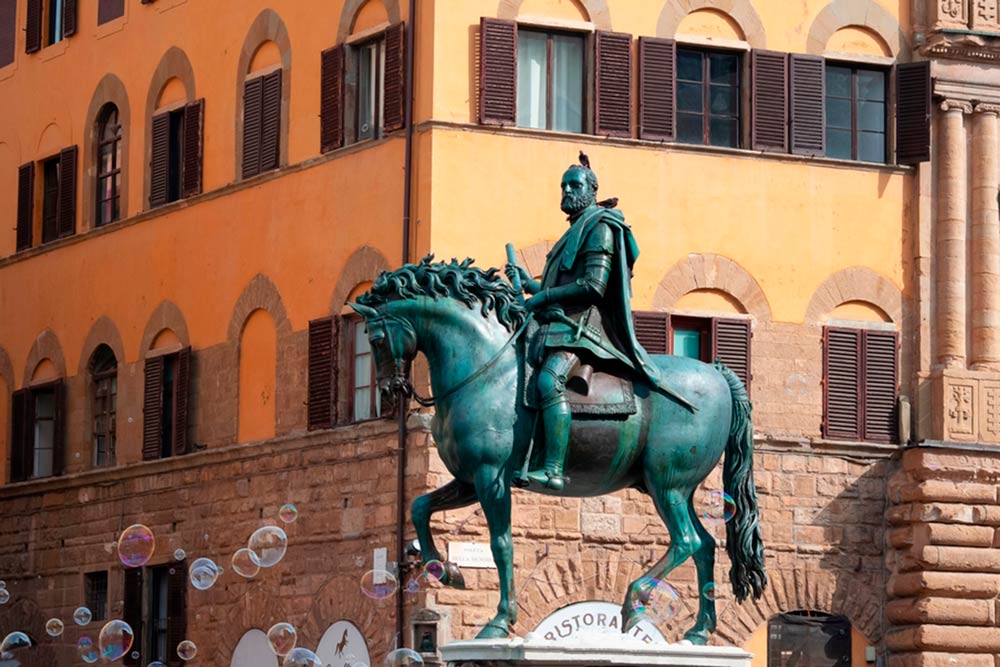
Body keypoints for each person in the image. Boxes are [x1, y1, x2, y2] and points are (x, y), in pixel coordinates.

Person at [506, 153, 694, 490]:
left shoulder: (601, 227)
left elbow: (593, 286)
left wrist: (543, 297)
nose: (566, 190)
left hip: (583, 331)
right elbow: (559, 288)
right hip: (558, 325)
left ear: (592, 190)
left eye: (574, 185)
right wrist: (529, 283)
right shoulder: (574, 230)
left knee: (549, 383)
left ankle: (552, 469)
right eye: (563, 185)